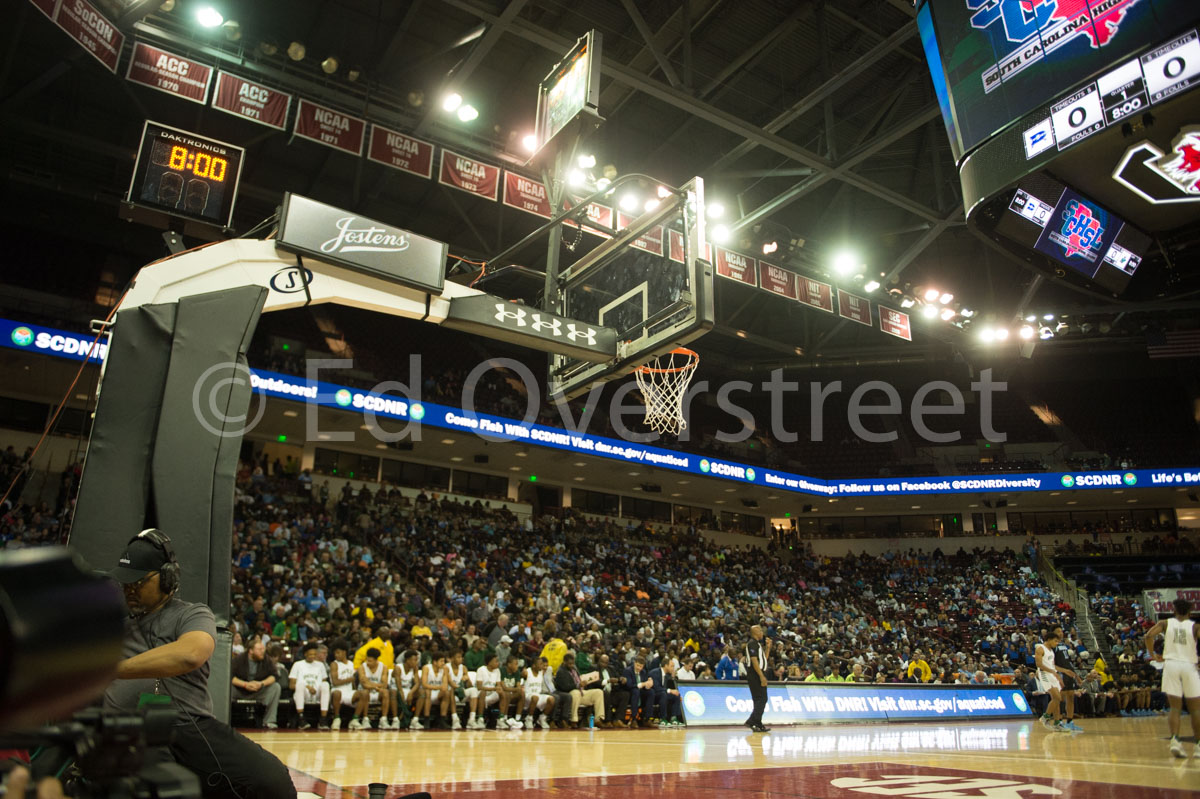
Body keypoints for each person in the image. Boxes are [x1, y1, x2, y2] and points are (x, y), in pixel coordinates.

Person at [102, 529, 295, 799]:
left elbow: (191, 653)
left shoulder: (191, 614)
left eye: (138, 581)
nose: (128, 588)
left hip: (185, 726)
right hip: (128, 731)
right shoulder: (112, 626)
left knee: (275, 783)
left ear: (167, 579)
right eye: (124, 582)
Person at [1143, 597, 1200, 758]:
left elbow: (1148, 636)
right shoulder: (1195, 626)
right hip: (1189, 665)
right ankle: (1198, 746)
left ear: (1174, 610)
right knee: (1195, 709)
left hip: (1171, 665)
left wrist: (1153, 654)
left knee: (1174, 708)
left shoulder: (1165, 623)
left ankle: (1175, 740)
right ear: (1190, 612)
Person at [231, 639, 282, 729]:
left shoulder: (266, 659)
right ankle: (223, 719)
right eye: (259, 649)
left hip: (258, 691)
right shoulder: (239, 659)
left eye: (263, 649)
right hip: (240, 690)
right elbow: (230, 676)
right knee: (227, 687)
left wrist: (261, 683)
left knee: (276, 687)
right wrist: (245, 685)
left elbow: (274, 676)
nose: (263, 651)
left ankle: (269, 721)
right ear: (251, 651)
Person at [554, 652, 606, 728]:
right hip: (570, 693)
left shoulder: (574, 668)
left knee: (598, 692)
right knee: (575, 693)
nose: (571, 665)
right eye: (569, 664)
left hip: (581, 692)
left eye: (572, 663)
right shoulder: (560, 672)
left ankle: (598, 719)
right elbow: (564, 687)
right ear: (564, 662)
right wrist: (578, 685)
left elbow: (579, 679)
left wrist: (585, 680)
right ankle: (574, 720)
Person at [288, 643, 332, 729]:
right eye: (311, 654)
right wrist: (307, 687)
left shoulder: (320, 665)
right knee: (300, 685)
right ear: (305, 654)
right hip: (303, 693)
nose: (313, 656)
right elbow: (291, 685)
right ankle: (301, 719)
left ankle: (323, 719)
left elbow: (323, 682)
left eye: (315, 654)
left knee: (326, 685)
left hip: (317, 694)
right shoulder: (298, 664)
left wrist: (315, 688)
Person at [1034, 631, 1068, 732]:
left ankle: (1057, 723)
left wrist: (1057, 676)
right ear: (1049, 640)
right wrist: (1053, 672)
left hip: (1052, 674)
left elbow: (1052, 665)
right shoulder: (1040, 648)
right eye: (1055, 641)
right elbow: (1039, 664)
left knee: (1057, 699)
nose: (1056, 643)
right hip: (1045, 674)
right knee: (1057, 697)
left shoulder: (1051, 651)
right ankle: (1045, 717)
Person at [1051, 627, 1083, 732]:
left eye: (1061, 631)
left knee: (1071, 696)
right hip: (1061, 673)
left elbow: (1068, 661)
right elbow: (1052, 663)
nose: (1061, 633)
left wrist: (1076, 675)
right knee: (1061, 698)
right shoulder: (1052, 645)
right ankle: (1059, 721)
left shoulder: (1063, 644)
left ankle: (1070, 722)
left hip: (1069, 673)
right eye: (1058, 631)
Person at [359, 647, 393, 730]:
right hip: (364, 692)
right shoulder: (362, 667)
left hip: (378, 692)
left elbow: (384, 685)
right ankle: (365, 719)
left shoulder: (383, 667)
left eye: (370, 661)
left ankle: (383, 720)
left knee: (385, 692)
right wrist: (376, 686)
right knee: (366, 691)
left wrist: (369, 683)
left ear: (376, 660)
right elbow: (364, 685)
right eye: (367, 660)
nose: (368, 663)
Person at [744, 624, 770, 733]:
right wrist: (761, 676)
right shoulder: (752, 644)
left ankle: (757, 723)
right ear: (756, 633)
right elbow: (754, 662)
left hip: (758, 673)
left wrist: (768, 648)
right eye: (760, 631)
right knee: (761, 699)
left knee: (759, 700)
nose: (762, 633)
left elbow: (764, 659)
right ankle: (751, 721)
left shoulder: (757, 644)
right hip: (755, 674)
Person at [328, 642, 359, 730]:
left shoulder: (351, 664)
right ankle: (337, 718)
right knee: (337, 693)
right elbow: (335, 682)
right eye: (335, 653)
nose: (336, 655)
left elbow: (354, 683)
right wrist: (349, 679)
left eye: (338, 652)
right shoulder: (334, 664)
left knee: (364, 693)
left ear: (344, 652)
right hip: (337, 691)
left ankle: (355, 720)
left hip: (349, 692)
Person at [523, 655, 557, 729]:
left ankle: (542, 718)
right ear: (534, 666)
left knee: (552, 699)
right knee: (535, 698)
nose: (542, 666)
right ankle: (529, 719)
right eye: (540, 664)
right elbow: (521, 676)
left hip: (537, 696)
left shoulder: (541, 672)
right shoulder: (527, 672)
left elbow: (549, 669)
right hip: (527, 696)